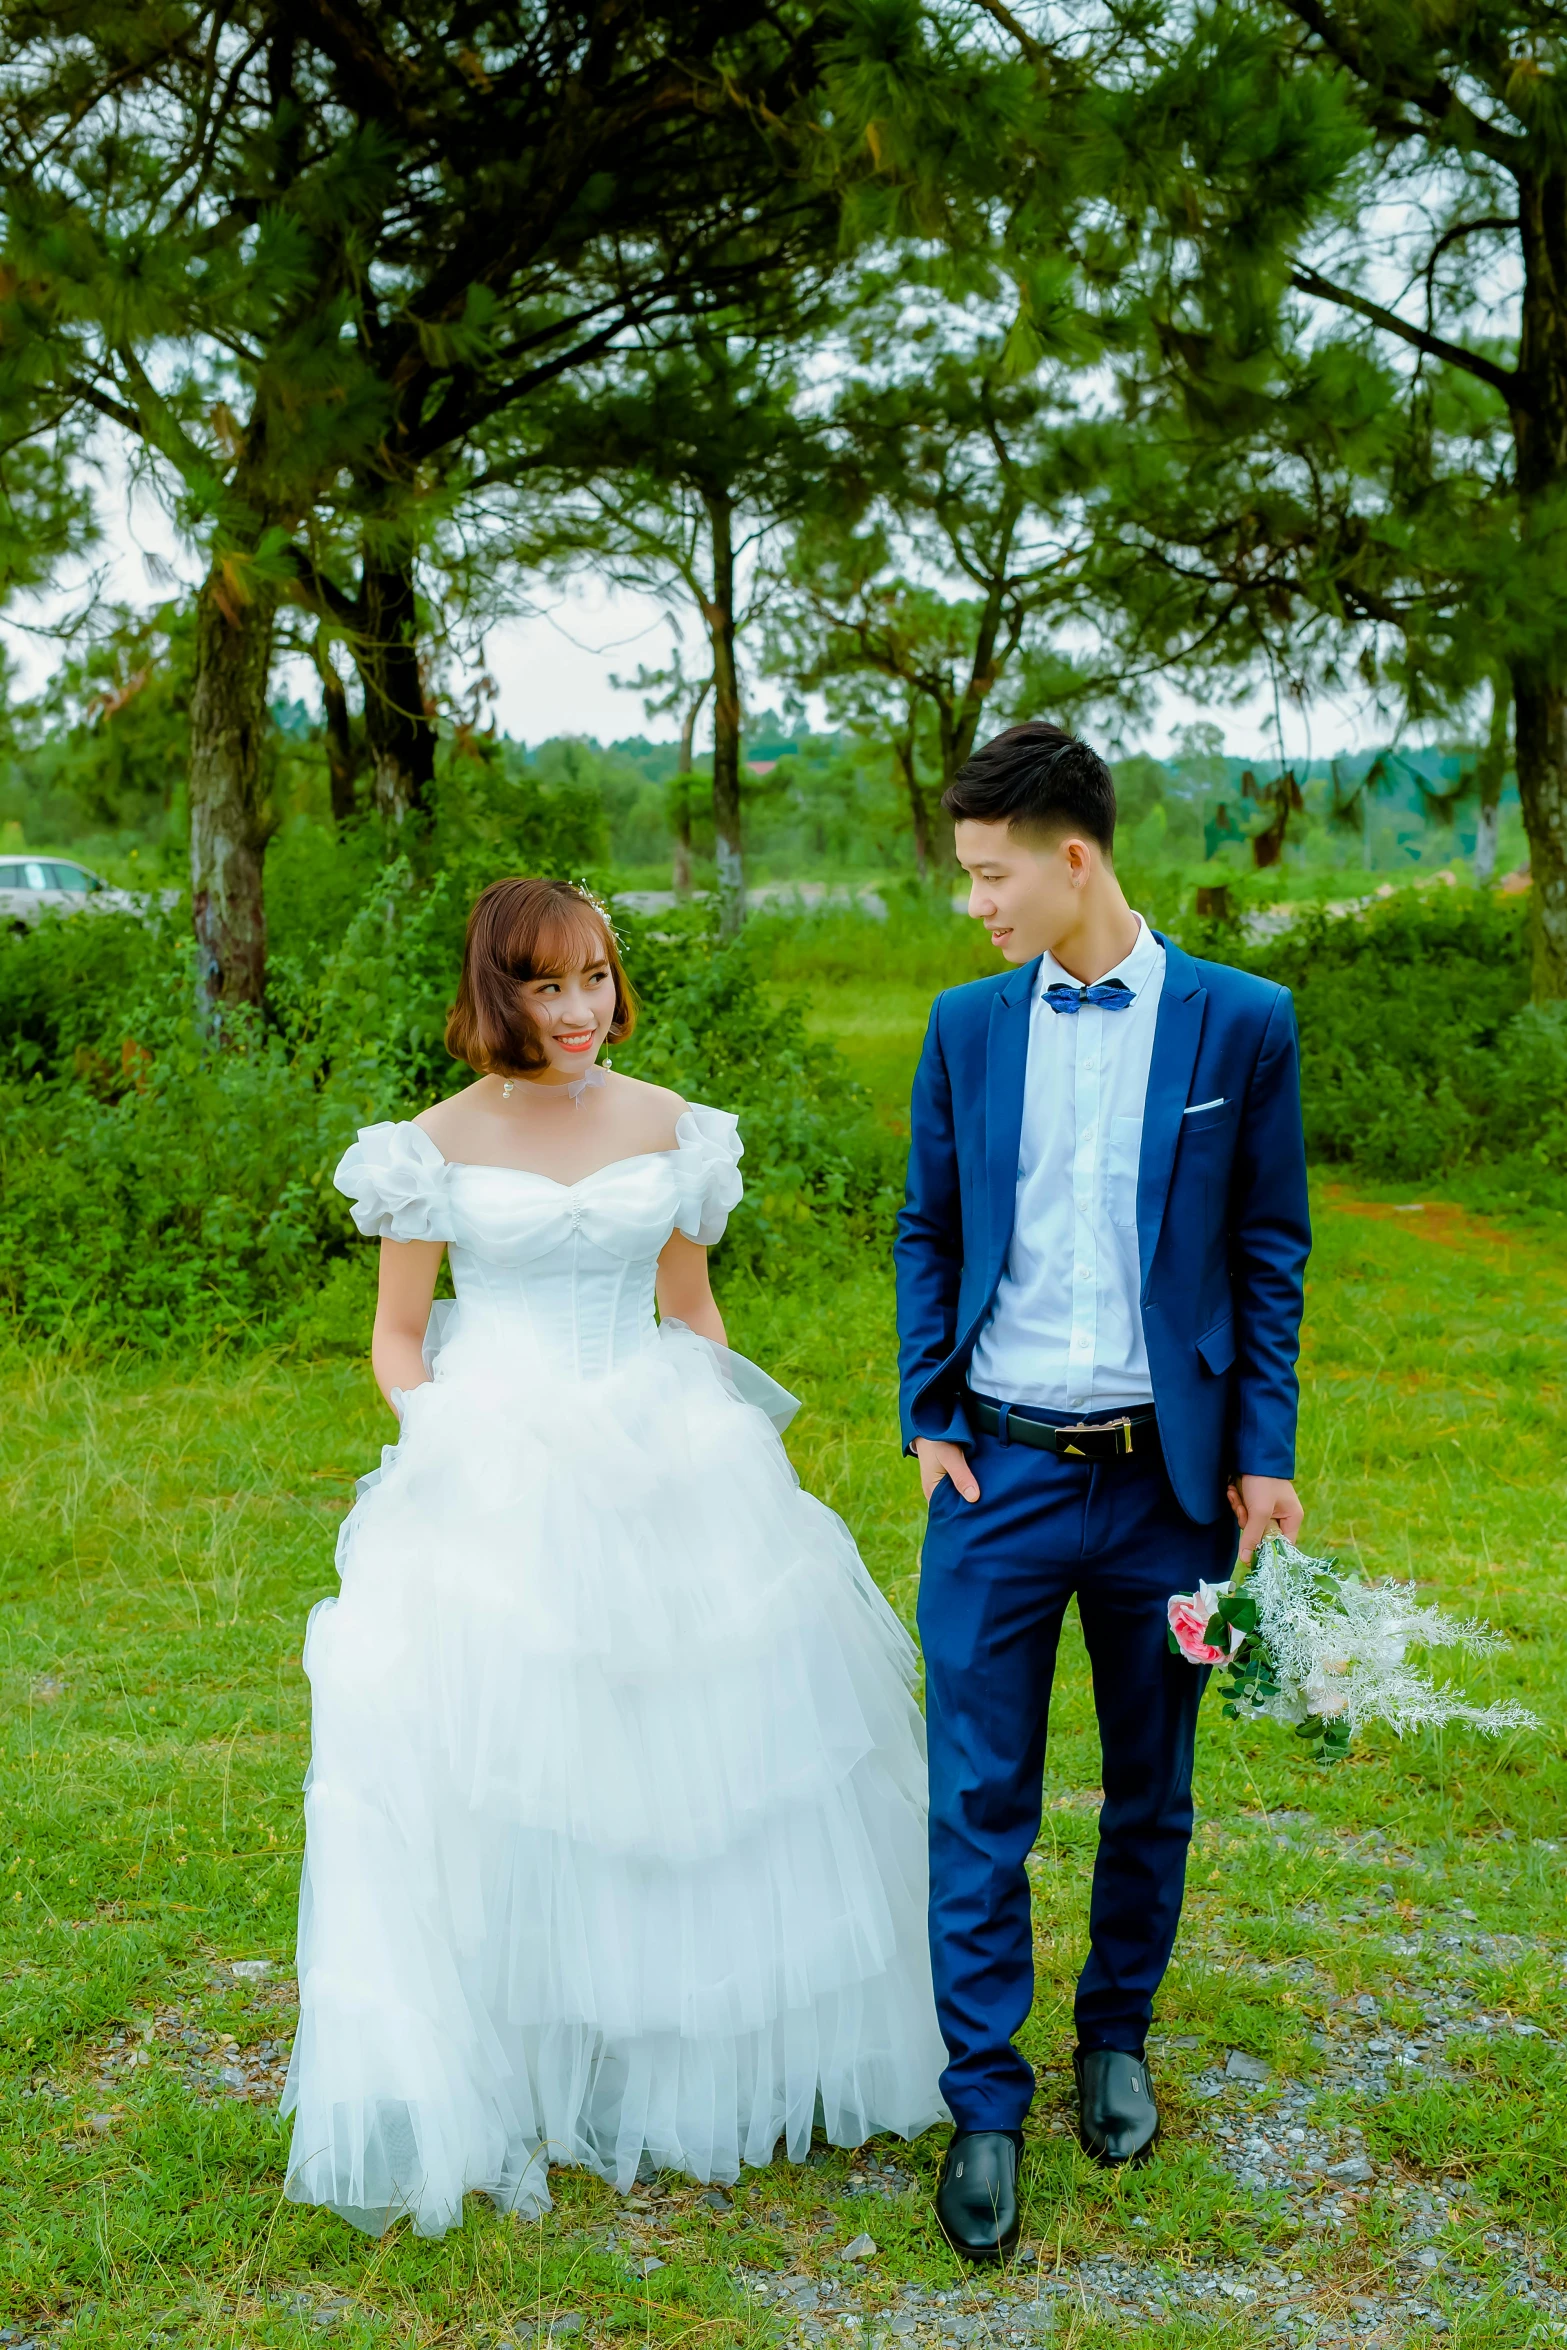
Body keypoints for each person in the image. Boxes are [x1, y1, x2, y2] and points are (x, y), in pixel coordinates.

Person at [283, 877, 947, 2237]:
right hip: (497, 1451)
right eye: (547, 984)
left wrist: (727, 1460)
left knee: (692, 1763)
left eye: (595, 977)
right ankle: (529, 2041)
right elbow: (399, 1339)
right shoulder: (427, 1146)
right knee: (518, 1757)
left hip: (658, 1442)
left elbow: (689, 1304)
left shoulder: (674, 1127)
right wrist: (458, 1441)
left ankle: (675, 2049)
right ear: (495, 992)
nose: (581, 1009)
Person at [895, 724, 1310, 2261]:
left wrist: (1258, 1450)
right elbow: (926, 1224)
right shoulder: (963, 1025)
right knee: (978, 1793)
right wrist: (925, 1403)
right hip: (994, 1470)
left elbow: (1268, 1250)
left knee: (1152, 1783)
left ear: (1072, 859)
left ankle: (1114, 2034)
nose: (975, 904)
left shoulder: (1241, 1022)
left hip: (1166, 1488)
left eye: (990, 875)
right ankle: (983, 2100)